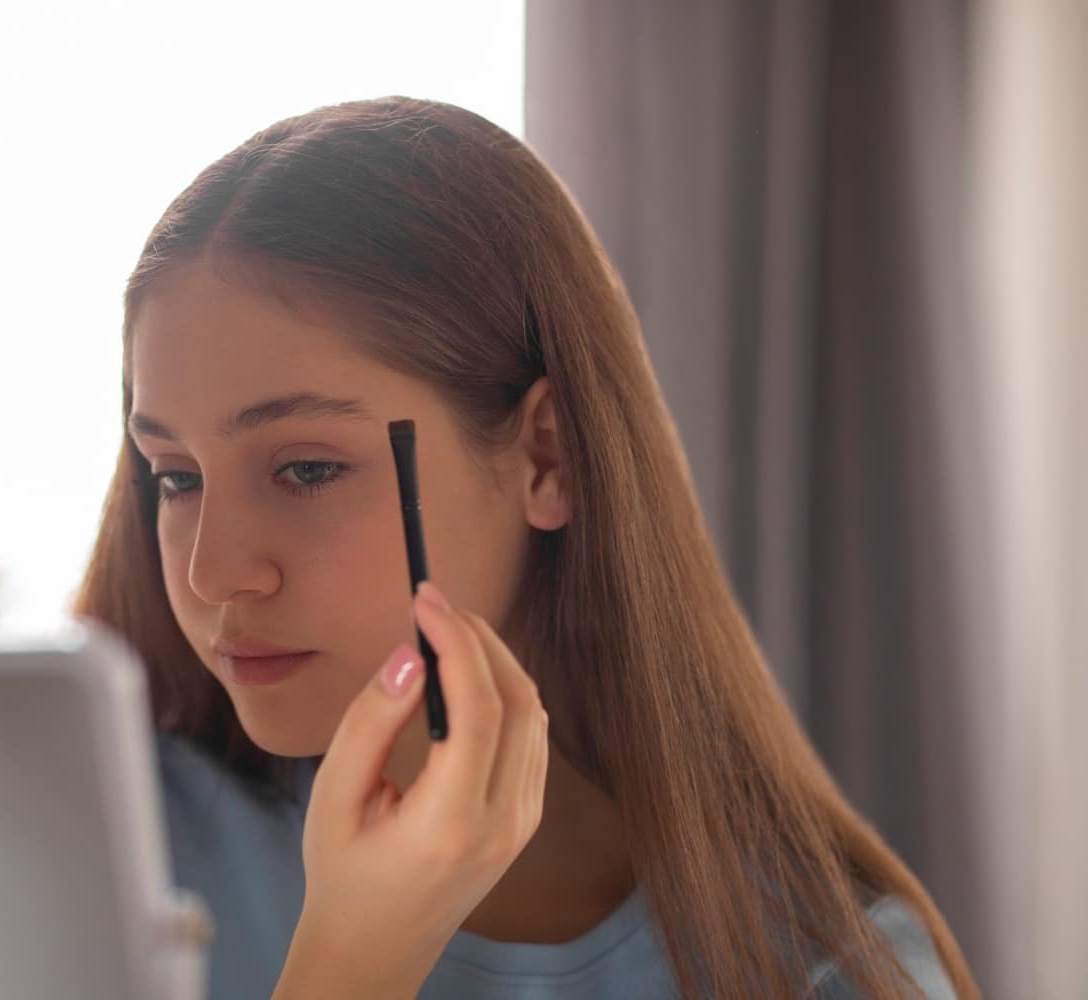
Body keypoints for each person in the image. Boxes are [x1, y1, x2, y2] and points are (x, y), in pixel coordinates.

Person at [72, 95, 979, 999]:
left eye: (307, 470)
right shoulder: (87, 849)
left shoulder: (818, 973)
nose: (214, 570)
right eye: (176, 476)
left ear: (548, 456)